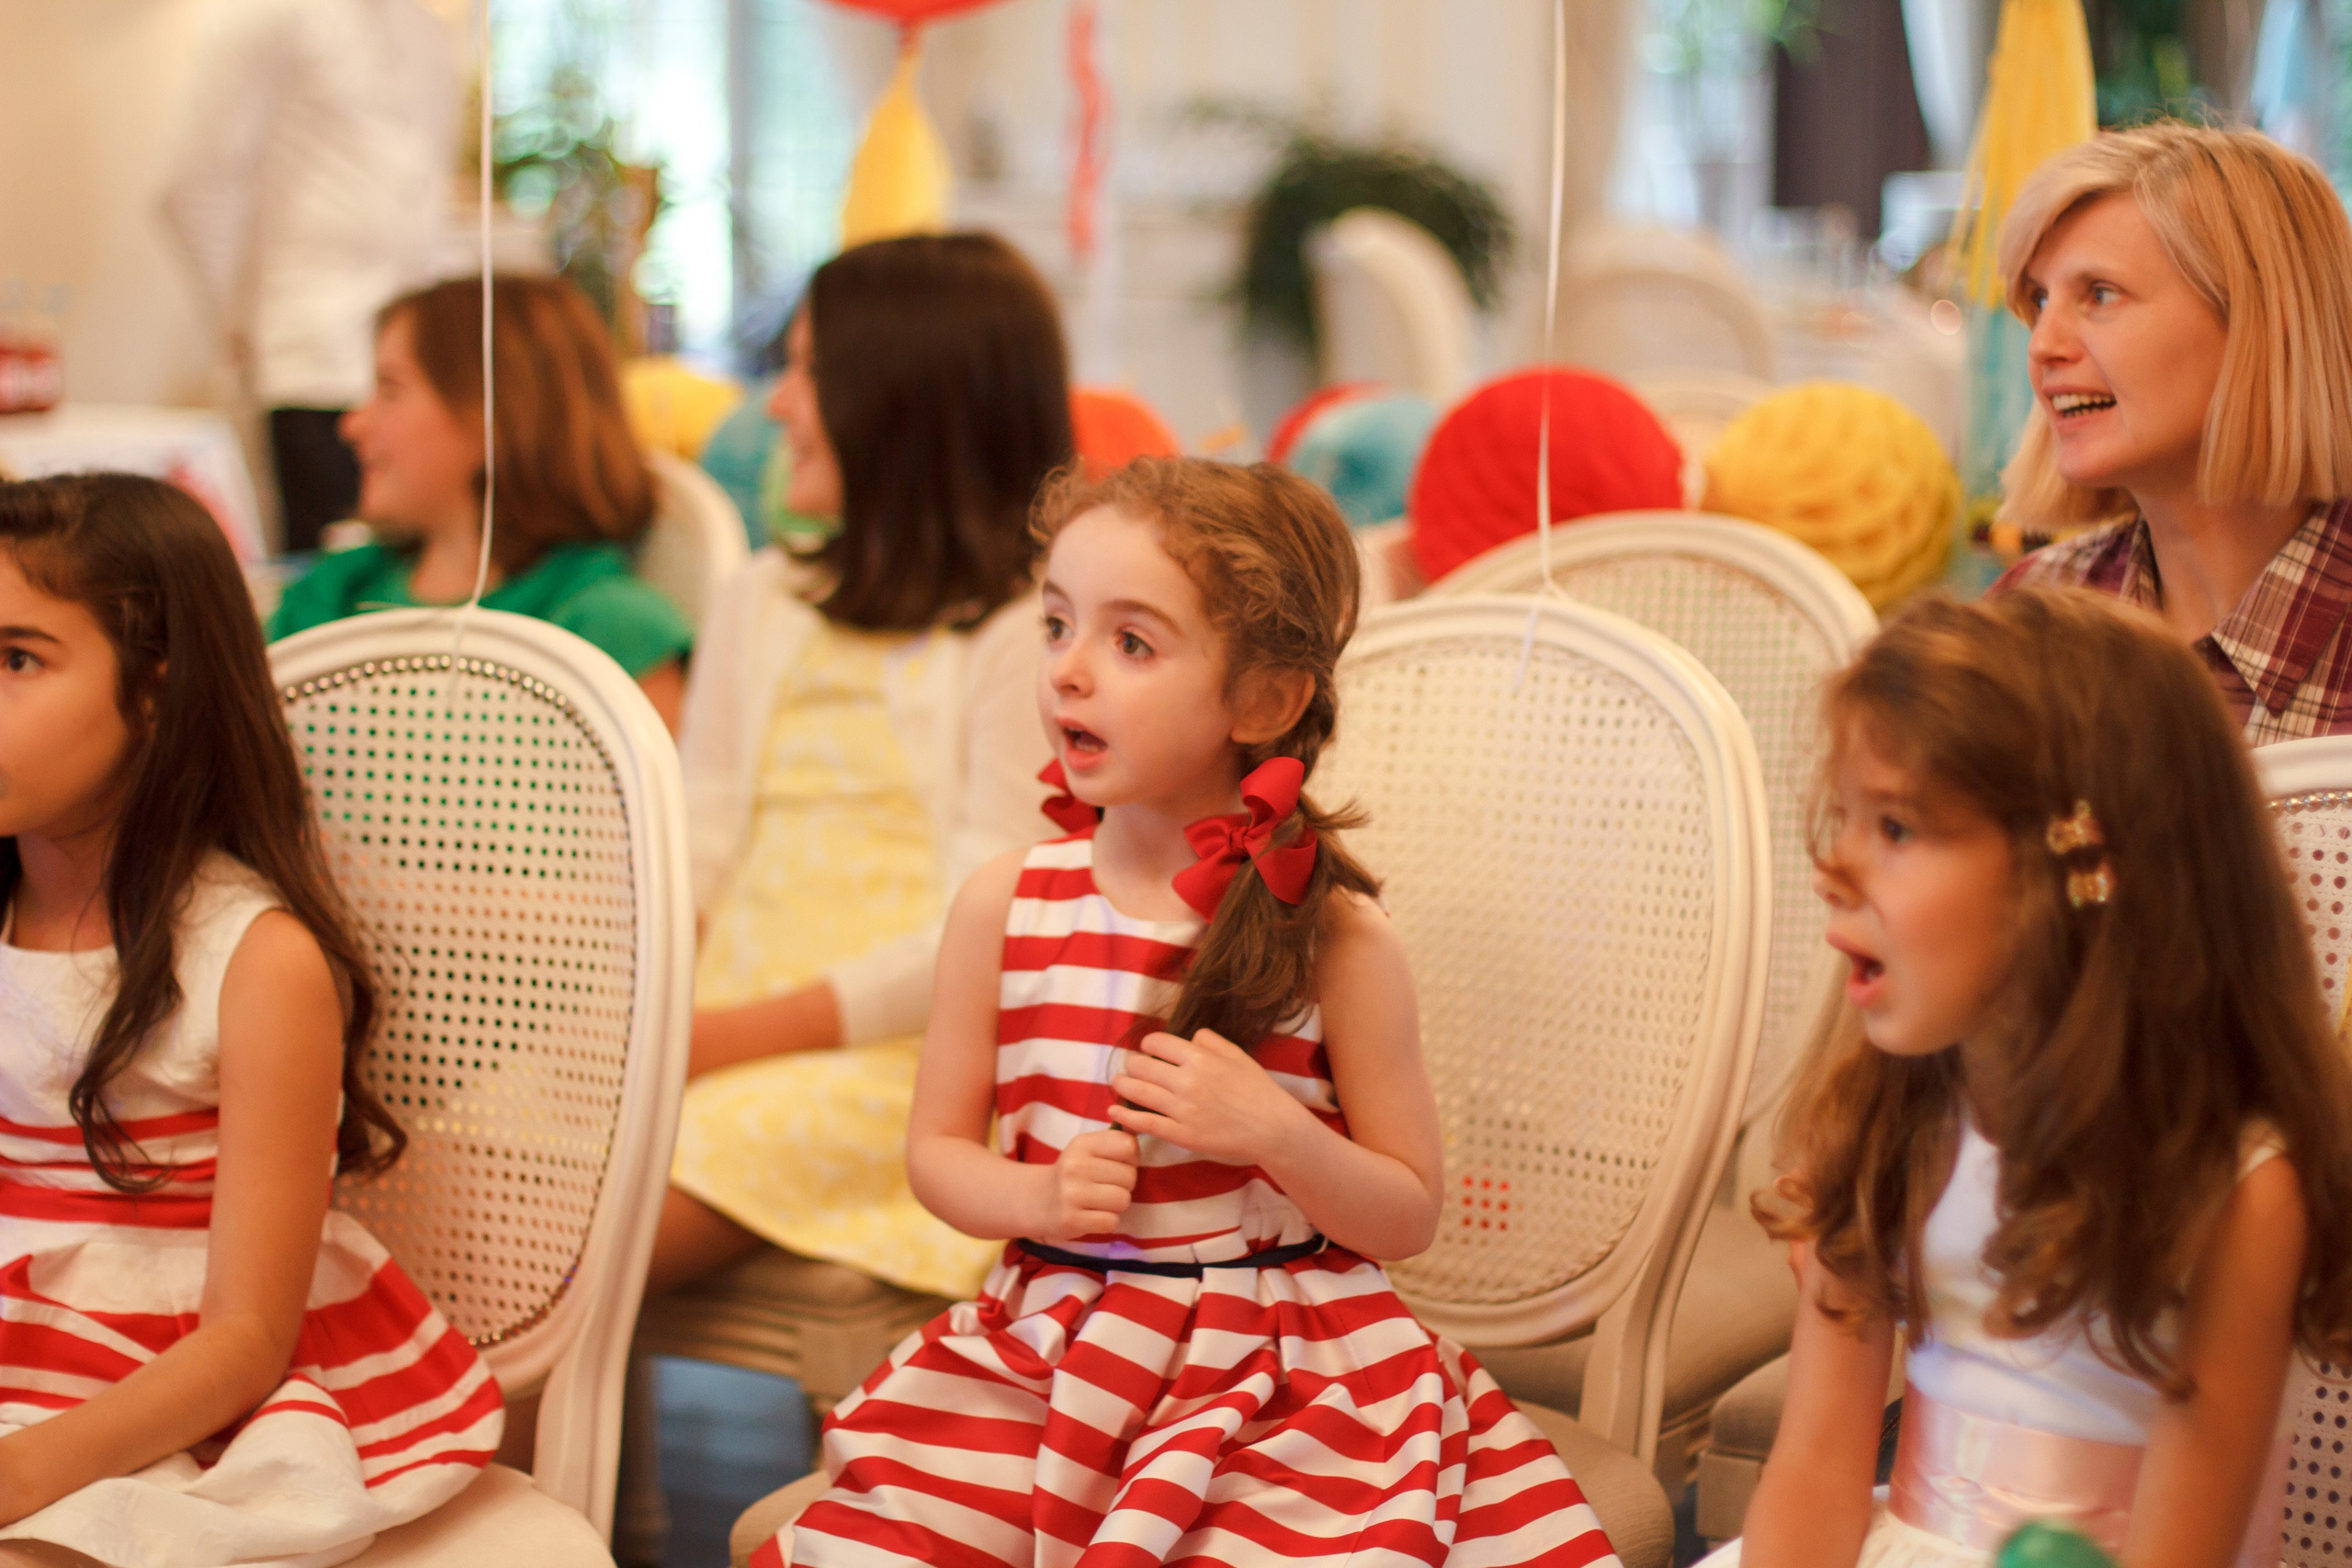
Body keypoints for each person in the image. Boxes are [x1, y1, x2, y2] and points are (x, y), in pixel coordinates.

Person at [757, 457, 1615, 1568]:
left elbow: (1405, 1216)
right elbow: (933, 1155)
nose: (1067, 672)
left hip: (1275, 1377)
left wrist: (1275, 1132)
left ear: (1262, 701)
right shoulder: (1003, 908)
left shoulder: (1339, 940)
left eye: (1130, 643)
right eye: (1057, 623)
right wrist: (1036, 1194)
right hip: (1046, 1358)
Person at [1714, 588, 2352, 1567]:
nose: (1830, 868)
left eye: (1893, 829)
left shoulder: (2236, 1191)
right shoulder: (1894, 1118)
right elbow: (1812, 1473)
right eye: (1843, 817)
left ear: (2080, 872)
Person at [0, 473, 501, 1565]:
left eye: (16, 659)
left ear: (156, 695)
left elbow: (244, 1340)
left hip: (172, 1398)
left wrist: (27, 1467)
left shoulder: (255, 962)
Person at [650, 233, 1070, 1304]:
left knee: (574, 1225)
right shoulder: (760, 597)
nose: (776, 406)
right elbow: (696, 846)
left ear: (906, 404)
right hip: (711, 1025)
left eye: (809, 372)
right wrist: (649, 1017)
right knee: (456, 1169)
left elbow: (992, 923)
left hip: (907, 1061)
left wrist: (719, 1042)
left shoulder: (1029, 630)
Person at [1992, 122, 2352, 743]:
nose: (2043, 345)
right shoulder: (2029, 619)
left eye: (2100, 294)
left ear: (2260, 323)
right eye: (2040, 300)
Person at [267, 275, 694, 730]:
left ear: (495, 412)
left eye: (390, 391)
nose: (352, 425)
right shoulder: (330, 594)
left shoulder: (611, 630)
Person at [158, 0, 459, 553]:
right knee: (327, 578)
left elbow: (424, 202)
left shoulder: (428, 32)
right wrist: (244, 323)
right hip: (316, 356)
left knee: (408, 572)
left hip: (422, 366)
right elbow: (196, 186)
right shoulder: (268, 15)